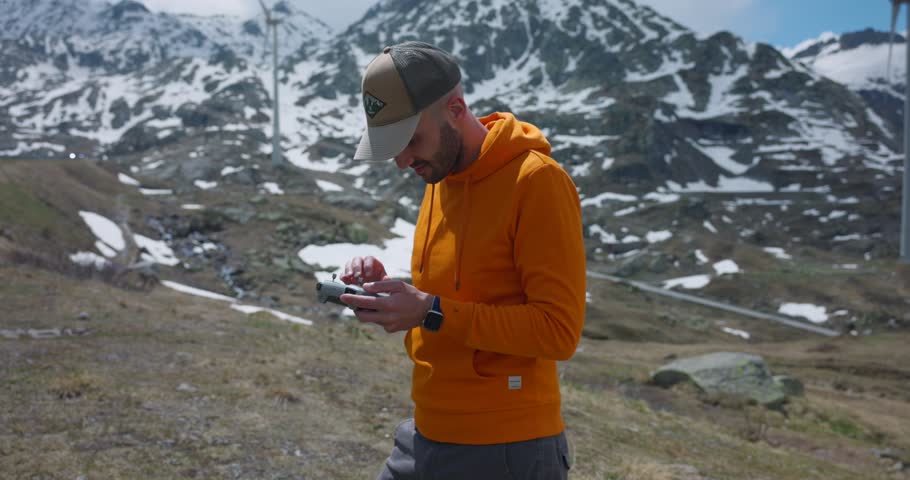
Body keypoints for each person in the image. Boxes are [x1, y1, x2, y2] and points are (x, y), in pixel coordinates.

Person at [338, 41, 586, 480]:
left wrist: (430, 310)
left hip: (506, 448)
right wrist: (390, 290)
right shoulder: (440, 174)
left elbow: (558, 332)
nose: (402, 160)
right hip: (427, 432)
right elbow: (457, 298)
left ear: (456, 108)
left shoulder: (537, 181)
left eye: (411, 139)